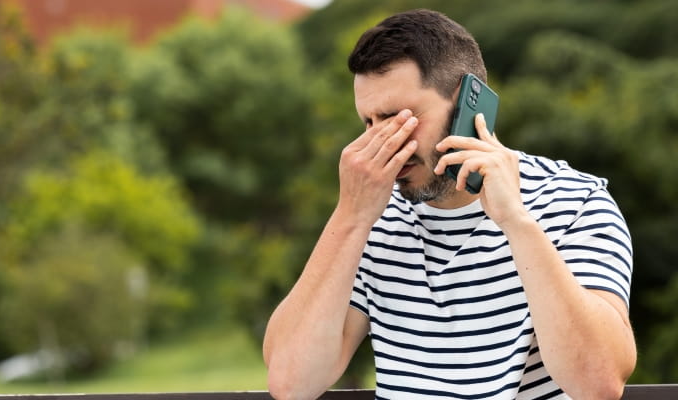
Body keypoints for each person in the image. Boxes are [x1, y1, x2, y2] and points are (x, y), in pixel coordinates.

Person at [262, 8, 636, 400]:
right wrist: (351, 217)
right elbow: (292, 382)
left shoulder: (574, 201)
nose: (380, 144)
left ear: (467, 106)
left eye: (396, 119)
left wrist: (516, 222)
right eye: (369, 123)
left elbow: (599, 382)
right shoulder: (372, 217)